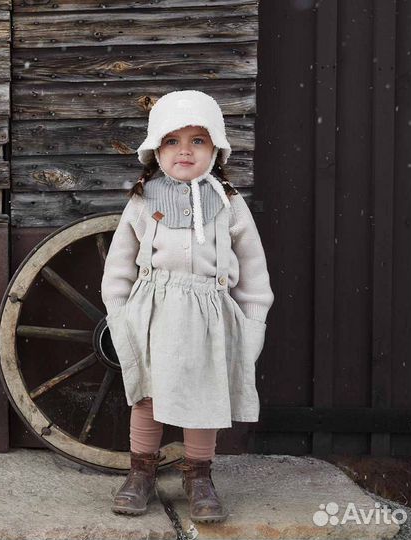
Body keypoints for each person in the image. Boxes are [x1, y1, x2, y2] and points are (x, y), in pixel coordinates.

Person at [100, 90, 275, 523]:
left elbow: (253, 267)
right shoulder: (143, 201)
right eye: (173, 141)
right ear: (156, 151)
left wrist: (253, 322)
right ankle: (141, 471)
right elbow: (120, 263)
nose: (185, 150)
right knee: (147, 395)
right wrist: (120, 316)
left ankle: (199, 477)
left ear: (216, 150)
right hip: (154, 312)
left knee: (204, 396)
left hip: (209, 316)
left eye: (198, 140)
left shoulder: (229, 203)